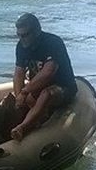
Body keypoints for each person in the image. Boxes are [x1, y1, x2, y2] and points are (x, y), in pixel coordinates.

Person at [10, 13, 78, 141]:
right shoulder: (21, 47)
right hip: (37, 89)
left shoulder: (53, 43)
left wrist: (24, 92)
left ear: (36, 31)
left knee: (46, 94)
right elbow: (19, 73)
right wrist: (19, 97)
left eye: (25, 35)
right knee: (30, 98)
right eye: (19, 35)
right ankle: (37, 117)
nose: (22, 39)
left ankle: (23, 127)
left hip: (63, 86)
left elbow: (48, 72)